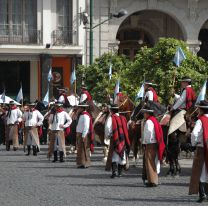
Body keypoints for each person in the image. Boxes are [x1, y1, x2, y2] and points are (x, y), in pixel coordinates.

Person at [189, 100, 208, 203]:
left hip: (201, 148)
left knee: (199, 171)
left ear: (200, 109)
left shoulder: (200, 120)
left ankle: (203, 194)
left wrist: (193, 144)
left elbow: (194, 134)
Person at [141, 106, 165, 187]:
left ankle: (152, 181)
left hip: (150, 143)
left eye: (144, 113)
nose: (144, 114)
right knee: (153, 161)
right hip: (155, 143)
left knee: (149, 162)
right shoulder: (154, 120)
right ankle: (154, 180)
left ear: (148, 113)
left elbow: (149, 133)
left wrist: (144, 142)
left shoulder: (148, 122)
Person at [105, 104, 130, 178]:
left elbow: (107, 128)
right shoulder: (123, 118)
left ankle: (114, 172)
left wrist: (108, 135)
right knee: (121, 154)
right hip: (122, 139)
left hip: (114, 138)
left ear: (111, 110)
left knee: (113, 155)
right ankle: (120, 173)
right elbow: (127, 127)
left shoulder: (111, 118)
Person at [76, 103, 94, 168]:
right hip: (80, 134)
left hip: (83, 134)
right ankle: (81, 163)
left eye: (80, 108)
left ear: (82, 108)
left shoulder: (85, 116)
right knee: (80, 149)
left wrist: (84, 134)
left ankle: (86, 163)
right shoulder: (81, 115)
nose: (78, 109)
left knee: (85, 149)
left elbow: (86, 126)